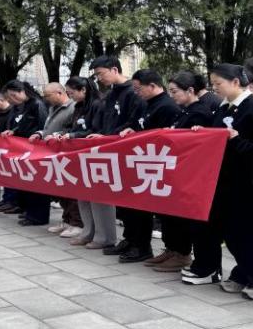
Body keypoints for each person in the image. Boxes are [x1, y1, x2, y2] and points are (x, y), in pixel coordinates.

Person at [185, 63, 253, 302]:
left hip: (247, 182)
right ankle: (244, 272)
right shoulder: (224, 106)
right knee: (233, 232)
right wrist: (203, 132)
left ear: (236, 82)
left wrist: (235, 140)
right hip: (224, 179)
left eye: (218, 83)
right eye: (213, 84)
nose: (214, 88)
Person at [142, 71, 213, 273]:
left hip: (187, 172)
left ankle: (182, 253)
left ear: (190, 90)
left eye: (174, 91)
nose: (172, 96)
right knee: (169, 214)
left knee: (180, 217)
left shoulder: (200, 112)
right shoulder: (184, 110)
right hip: (173, 169)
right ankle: (172, 249)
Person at [114, 69, 181, 264]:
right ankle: (133, 240)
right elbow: (135, 124)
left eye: (138, 89)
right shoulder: (144, 103)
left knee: (145, 209)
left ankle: (143, 247)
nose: (136, 93)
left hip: (155, 165)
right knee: (132, 206)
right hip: (139, 161)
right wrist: (129, 130)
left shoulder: (167, 106)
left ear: (152, 86)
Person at [87, 55, 146, 254]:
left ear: (114, 69)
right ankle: (128, 239)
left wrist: (108, 136)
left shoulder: (133, 92)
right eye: (96, 75)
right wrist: (102, 135)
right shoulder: (111, 94)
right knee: (122, 200)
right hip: (111, 150)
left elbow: (132, 122)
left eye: (101, 73)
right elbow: (106, 122)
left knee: (133, 200)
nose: (99, 78)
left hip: (127, 152)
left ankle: (138, 243)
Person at [56, 76, 107, 247]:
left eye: (71, 93)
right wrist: (63, 134)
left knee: (97, 199)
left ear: (83, 90)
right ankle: (87, 232)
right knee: (82, 197)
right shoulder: (78, 106)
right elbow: (70, 126)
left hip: (95, 156)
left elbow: (96, 130)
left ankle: (102, 236)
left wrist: (74, 135)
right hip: (79, 156)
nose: (70, 97)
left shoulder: (98, 105)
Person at [30, 83, 78, 233]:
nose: (45, 99)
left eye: (47, 95)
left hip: (67, 154)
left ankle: (76, 223)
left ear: (59, 93)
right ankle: (66, 219)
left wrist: (57, 135)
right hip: (52, 154)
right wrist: (40, 133)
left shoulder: (73, 107)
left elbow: (71, 129)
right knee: (60, 189)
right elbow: (48, 128)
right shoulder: (52, 108)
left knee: (71, 190)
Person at [0, 80, 49, 225]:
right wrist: (13, 131)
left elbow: (43, 127)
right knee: (27, 183)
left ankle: (38, 216)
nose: (12, 99)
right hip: (24, 149)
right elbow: (23, 124)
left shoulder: (37, 104)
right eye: (9, 97)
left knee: (37, 185)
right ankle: (29, 212)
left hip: (36, 149)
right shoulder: (24, 105)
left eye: (13, 95)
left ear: (22, 91)